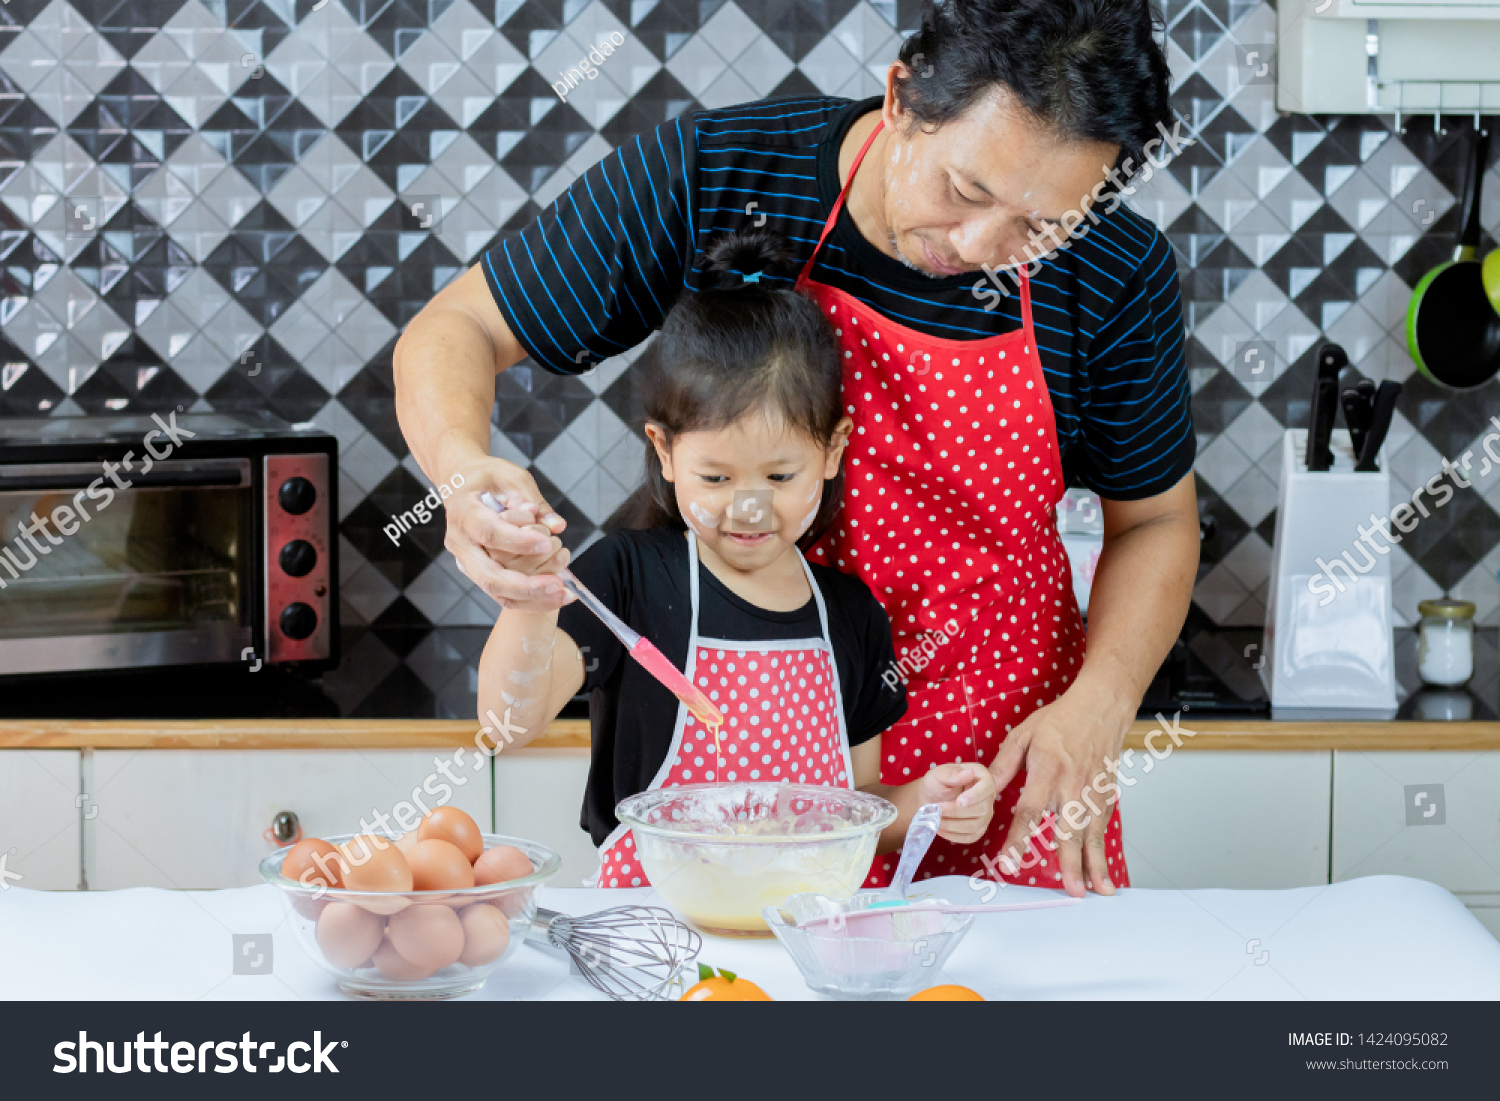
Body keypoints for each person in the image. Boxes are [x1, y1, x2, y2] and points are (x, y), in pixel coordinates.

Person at [395, 0, 1199, 897]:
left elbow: (1158, 521)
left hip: (1006, 775)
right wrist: (464, 475)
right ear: (901, 98)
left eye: (1038, 226)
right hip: (755, 804)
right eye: (964, 192)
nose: (981, 249)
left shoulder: (1115, 269)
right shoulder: (720, 173)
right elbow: (456, 327)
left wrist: (1101, 705)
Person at [474, 231, 998, 885]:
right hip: (659, 942)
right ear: (665, 452)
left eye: (779, 478)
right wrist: (527, 602)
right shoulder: (628, 577)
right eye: (716, 479)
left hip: (806, 943)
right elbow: (506, 725)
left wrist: (926, 803)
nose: (748, 509)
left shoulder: (851, 614)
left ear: (833, 451)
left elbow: (862, 807)